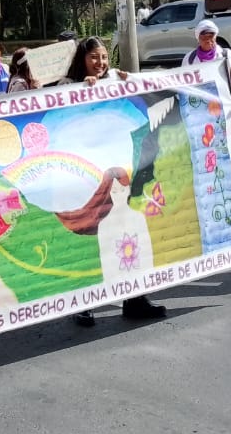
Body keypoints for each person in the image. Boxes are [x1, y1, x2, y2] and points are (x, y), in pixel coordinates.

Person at [59, 38, 167, 324]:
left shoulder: (113, 80)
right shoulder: (66, 85)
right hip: (85, 174)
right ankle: (83, 304)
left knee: (126, 228)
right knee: (91, 235)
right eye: (95, 57)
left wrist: (126, 84)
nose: (101, 63)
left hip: (115, 167)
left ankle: (135, 298)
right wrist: (80, 92)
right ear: (82, 59)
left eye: (105, 57)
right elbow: (58, 118)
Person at [182, 19, 231, 90]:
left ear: (215, 37)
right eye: (204, 37)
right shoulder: (189, 59)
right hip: (201, 99)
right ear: (198, 39)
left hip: (225, 98)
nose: (208, 40)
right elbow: (182, 83)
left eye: (211, 36)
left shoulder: (226, 54)